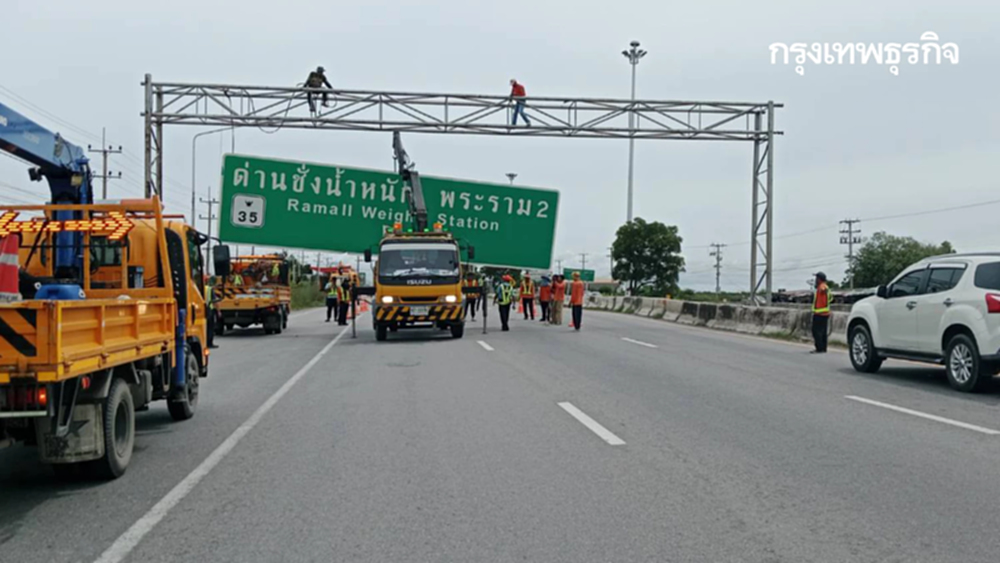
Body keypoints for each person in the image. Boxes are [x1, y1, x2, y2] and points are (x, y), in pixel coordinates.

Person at [811, 271, 832, 353]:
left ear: (819, 279)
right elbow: (831, 299)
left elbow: (824, 290)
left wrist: (823, 290)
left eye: (816, 278)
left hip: (819, 313)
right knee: (823, 332)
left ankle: (819, 348)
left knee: (816, 331)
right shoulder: (825, 287)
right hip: (825, 313)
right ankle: (823, 348)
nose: (815, 280)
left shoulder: (822, 287)